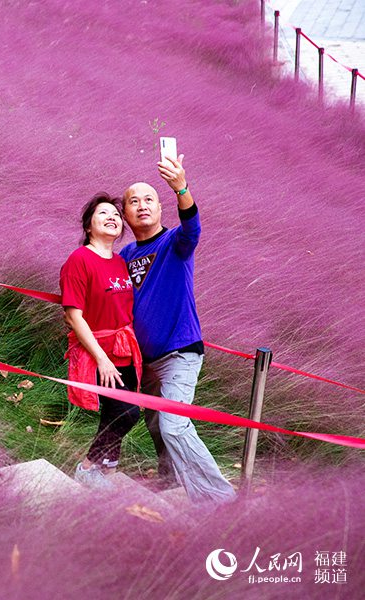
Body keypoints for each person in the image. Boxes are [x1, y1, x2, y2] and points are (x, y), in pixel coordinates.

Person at [119, 154, 236, 503]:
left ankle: (220, 499)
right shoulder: (125, 255)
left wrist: (181, 188)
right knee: (156, 424)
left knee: (173, 424)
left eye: (149, 199)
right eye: (133, 201)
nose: (142, 205)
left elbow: (192, 227)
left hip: (180, 352)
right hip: (145, 360)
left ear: (160, 208)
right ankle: (170, 481)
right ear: (124, 213)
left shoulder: (174, 242)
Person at [60, 193, 143, 489]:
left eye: (116, 215)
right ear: (88, 226)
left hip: (124, 349)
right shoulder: (79, 260)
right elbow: (73, 316)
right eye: (103, 213)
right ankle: (86, 467)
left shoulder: (120, 262)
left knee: (114, 413)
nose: (112, 218)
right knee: (127, 412)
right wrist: (102, 359)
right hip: (98, 352)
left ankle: (107, 469)